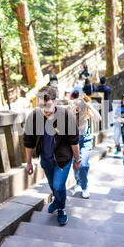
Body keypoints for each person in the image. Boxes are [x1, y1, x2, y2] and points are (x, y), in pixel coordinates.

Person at [24, 86, 81, 226]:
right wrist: (29, 162)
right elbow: (28, 142)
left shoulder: (66, 115)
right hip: (46, 160)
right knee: (53, 185)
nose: (44, 108)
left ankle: (61, 208)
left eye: (47, 104)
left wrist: (77, 160)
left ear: (55, 102)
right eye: (41, 105)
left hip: (63, 159)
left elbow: (74, 141)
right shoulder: (34, 116)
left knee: (58, 185)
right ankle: (57, 201)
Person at [70, 94, 102, 199]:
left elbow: (99, 118)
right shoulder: (73, 114)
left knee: (83, 164)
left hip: (86, 141)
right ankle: (78, 182)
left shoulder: (88, 113)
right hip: (74, 141)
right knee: (75, 164)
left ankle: (84, 187)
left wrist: (89, 105)